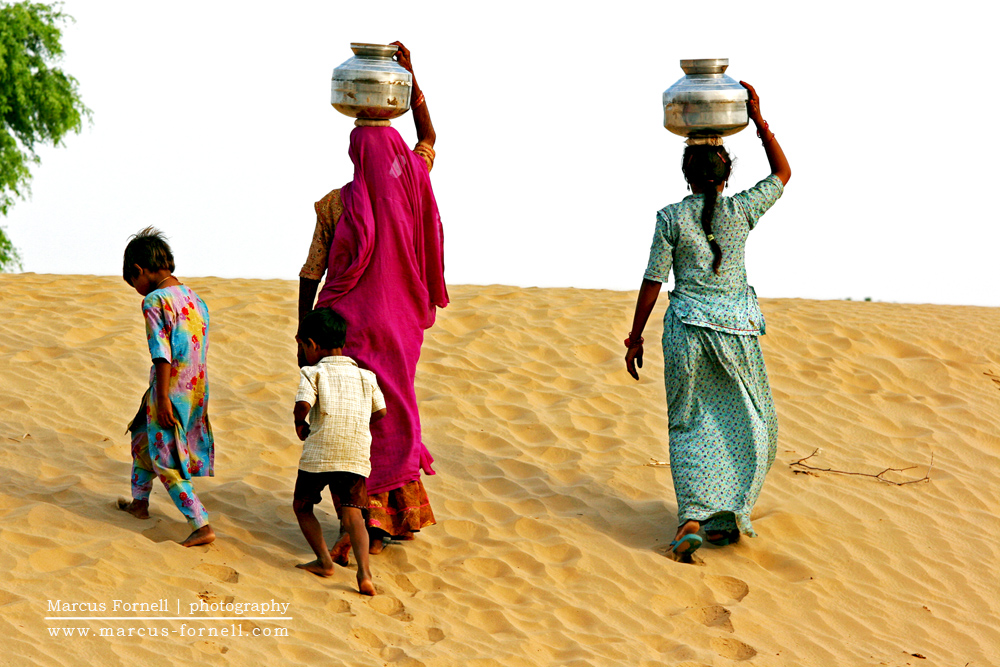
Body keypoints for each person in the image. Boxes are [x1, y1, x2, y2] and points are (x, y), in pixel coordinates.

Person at [625, 82, 791, 561]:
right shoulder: (741, 210)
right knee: (750, 422)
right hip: (736, 333)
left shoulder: (671, 217)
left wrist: (636, 336)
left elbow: (653, 280)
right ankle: (725, 511)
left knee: (689, 423)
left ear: (687, 176)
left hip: (686, 334)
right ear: (726, 176)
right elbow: (782, 172)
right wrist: (759, 121)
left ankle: (694, 518)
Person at [298, 41, 447, 558]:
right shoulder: (413, 181)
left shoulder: (337, 204)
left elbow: (311, 274)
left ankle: (357, 524)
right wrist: (411, 80)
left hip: (350, 335)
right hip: (402, 328)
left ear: (354, 151)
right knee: (394, 412)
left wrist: (304, 332)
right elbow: (427, 138)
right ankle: (385, 521)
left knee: (351, 419)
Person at [118, 227, 215, 547]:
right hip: (195, 389)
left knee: (167, 458)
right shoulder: (194, 298)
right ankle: (139, 503)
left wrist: (161, 398)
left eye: (134, 284)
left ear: (138, 271)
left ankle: (200, 523)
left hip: (169, 390)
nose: (138, 291)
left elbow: (162, 354)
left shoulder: (154, 301)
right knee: (142, 438)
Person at [292, 308, 386, 596]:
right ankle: (365, 573)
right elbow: (381, 411)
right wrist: (357, 423)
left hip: (320, 452)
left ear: (312, 345)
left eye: (303, 346)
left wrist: (299, 423)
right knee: (354, 515)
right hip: (354, 454)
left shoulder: (313, 372)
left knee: (302, 505)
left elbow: (303, 405)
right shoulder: (366, 376)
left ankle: (324, 561)